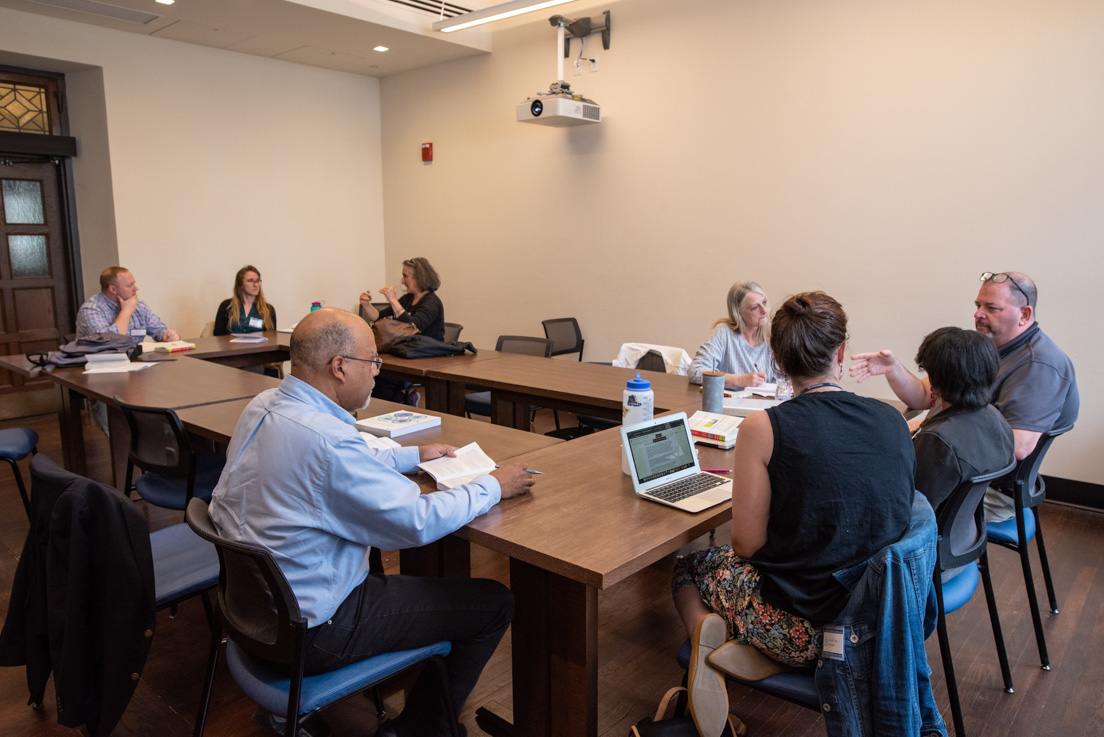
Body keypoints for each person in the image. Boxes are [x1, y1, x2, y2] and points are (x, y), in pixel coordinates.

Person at [207, 307, 535, 737]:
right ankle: (419, 729)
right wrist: (492, 485)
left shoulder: (266, 404)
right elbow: (414, 523)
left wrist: (412, 455)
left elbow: (342, 452)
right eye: (373, 361)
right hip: (315, 630)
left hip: (255, 614)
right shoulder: (329, 442)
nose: (379, 371)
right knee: (494, 603)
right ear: (340, 367)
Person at [673, 292, 915, 737]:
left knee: (687, 564)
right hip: (878, 620)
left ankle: (714, 644)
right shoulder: (893, 420)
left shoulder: (763, 427)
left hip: (804, 630)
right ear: (840, 352)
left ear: (778, 361)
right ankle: (747, 645)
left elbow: (745, 545)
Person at [850, 271, 1078, 519]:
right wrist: (894, 370)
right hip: (956, 471)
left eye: (991, 308)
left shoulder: (1040, 366)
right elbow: (925, 396)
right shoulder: (986, 348)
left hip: (983, 490)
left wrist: (929, 430)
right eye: (978, 305)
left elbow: (1019, 447)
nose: (978, 314)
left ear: (1024, 315)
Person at [911, 327, 1015, 514]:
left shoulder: (939, 440)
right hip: (966, 530)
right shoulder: (995, 417)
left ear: (935, 378)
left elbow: (914, 506)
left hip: (929, 535)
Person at [688, 281, 774, 388]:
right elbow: (695, 372)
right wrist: (740, 380)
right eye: (755, 307)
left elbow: (785, 381)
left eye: (764, 302)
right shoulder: (723, 333)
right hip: (730, 403)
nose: (764, 310)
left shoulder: (773, 336)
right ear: (739, 313)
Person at [75, 266, 179, 341]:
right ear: (113, 289)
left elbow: (159, 329)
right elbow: (108, 344)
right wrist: (126, 312)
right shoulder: (90, 310)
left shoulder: (139, 306)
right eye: (130, 286)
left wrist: (167, 335)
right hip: (99, 367)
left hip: (134, 364)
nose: (136, 289)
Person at [359, 256, 445, 341]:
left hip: (428, 352)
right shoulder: (407, 298)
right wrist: (366, 305)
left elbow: (413, 327)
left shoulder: (432, 303)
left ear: (419, 278)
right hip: (407, 349)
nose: (402, 281)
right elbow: (378, 317)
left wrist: (393, 300)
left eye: (405, 276)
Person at [213, 265, 277, 335]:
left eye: (258, 281)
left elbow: (271, 338)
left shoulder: (268, 309)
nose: (256, 285)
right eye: (250, 281)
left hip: (257, 345)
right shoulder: (227, 306)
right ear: (241, 285)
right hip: (231, 345)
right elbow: (218, 337)